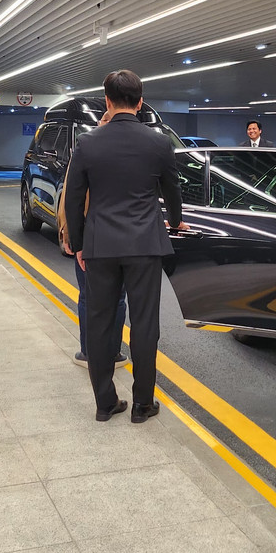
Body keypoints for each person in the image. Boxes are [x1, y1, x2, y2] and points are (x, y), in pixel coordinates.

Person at [64, 70, 185, 423]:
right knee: (145, 324)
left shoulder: (88, 143)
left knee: (99, 323)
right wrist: (176, 222)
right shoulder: (159, 143)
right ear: (141, 101)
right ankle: (142, 404)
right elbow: (173, 193)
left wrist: (78, 243)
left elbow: (74, 198)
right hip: (145, 243)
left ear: (107, 100)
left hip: (100, 245)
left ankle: (105, 404)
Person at [57, 106, 128, 368]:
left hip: (89, 237)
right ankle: (114, 351)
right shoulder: (126, 156)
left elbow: (70, 198)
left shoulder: (85, 150)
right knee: (117, 298)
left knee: (88, 296)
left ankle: (88, 351)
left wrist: (69, 236)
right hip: (121, 238)